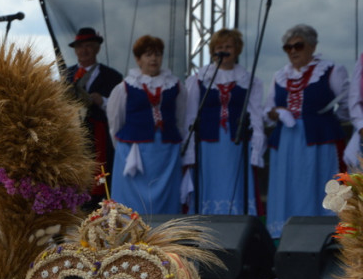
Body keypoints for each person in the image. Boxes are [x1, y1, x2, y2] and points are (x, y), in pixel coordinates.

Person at [264, 24, 349, 238]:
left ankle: (320, 237)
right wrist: (276, 112)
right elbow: (267, 109)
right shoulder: (279, 76)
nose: (293, 51)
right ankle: (285, 240)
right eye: (288, 47)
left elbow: (347, 102)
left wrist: (327, 122)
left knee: (318, 186)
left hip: (318, 142)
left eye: (298, 45)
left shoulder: (331, 70)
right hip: (286, 143)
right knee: (287, 188)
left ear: (312, 46)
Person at [183, 29, 265, 215]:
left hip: (236, 143)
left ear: (237, 50)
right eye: (219, 47)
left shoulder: (248, 79)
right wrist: (189, 151)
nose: (224, 51)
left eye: (228, 46)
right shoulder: (200, 79)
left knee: (234, 181)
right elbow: (190, 115)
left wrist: (257, 145)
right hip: (207, 143)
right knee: (209, 182)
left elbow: (255, 114)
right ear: (213, 51)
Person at [106, 35, 190, 215]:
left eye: (158, 54)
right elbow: (115, 121)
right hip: (134, 151)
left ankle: (165, 235)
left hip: (166, 152)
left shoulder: (175, 85)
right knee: (131, 200)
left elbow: (181, 118)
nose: (154, 59)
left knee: (166, 198)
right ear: (138, 59)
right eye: (148, 55)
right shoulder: (125, 87)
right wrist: (123, 148)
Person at [64, 28, 123, 207]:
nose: (84, 50)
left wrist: (102, 101)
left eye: (89, 46)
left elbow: (119, 108)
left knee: (99, 173)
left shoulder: (112, 76)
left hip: (99, 134)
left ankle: (97, 203)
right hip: (74, 134)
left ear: (97, 49)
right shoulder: (67, 74)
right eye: (80, 47)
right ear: (75, 50)